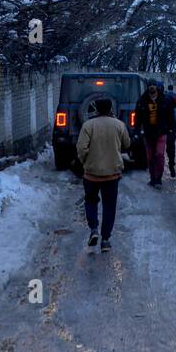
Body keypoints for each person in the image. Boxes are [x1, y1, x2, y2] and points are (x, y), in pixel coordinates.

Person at [75, 97, 131, 251]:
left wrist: (86, 162)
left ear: (96, 109)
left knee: (91, 201)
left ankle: (93, 229)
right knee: (109, 206)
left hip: (91, 174)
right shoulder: (119, 125)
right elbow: (127, 144)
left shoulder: (88, 125)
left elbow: (81, 148)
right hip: (112, 174)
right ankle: (105, 239)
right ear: (111, 108)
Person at [135, 80, 176, 188]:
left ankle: (158, 179)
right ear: (148, 87)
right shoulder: (142, 101)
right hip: (148, 133)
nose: (152, 87)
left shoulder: (165, 100)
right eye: (150, 85)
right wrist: (137, 130)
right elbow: (138, 118)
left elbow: (171, 115)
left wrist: (172, 129)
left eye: (153, 85)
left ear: (156, 87)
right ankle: (153, 178)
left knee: (159, 155)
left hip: (161, 132)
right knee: (150, 157)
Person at [164, 85, 176, 179]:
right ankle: (171, 166)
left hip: (167, 128)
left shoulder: (168, 99)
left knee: (168, 149)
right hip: (171, 128)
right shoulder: (174, 97)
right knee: (171, 148)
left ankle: (170, 167)